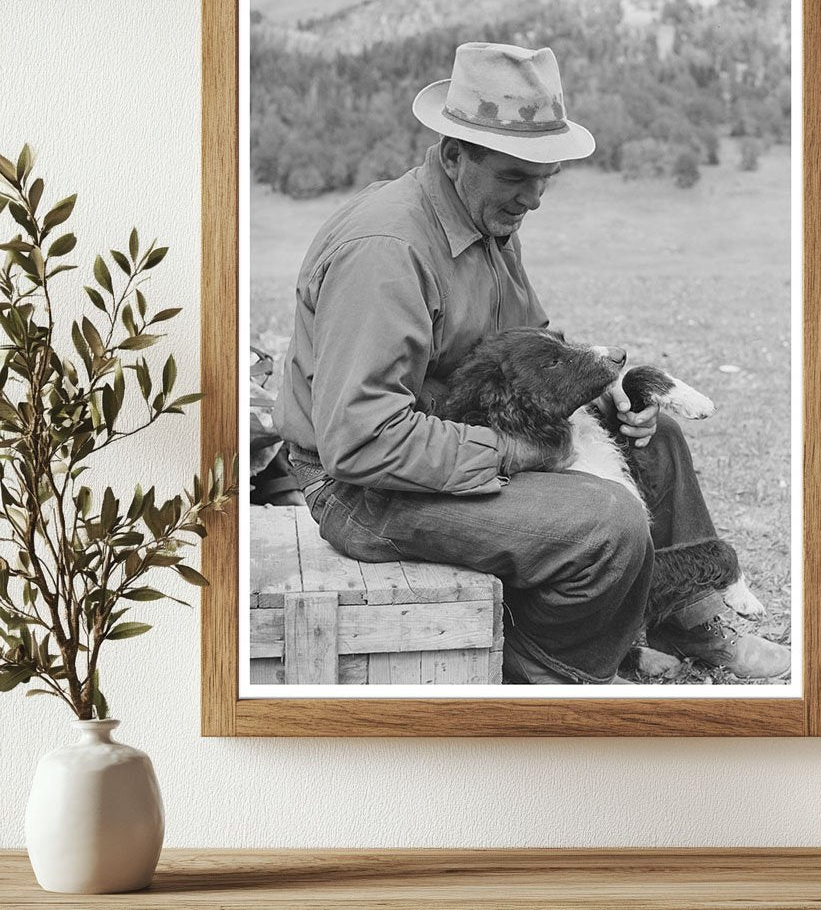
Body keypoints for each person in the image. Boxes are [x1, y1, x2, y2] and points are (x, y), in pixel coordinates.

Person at [273, 41, 789, 684]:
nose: (533, 200)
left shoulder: (486, 221)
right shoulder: (385, 253)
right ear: (455, 155)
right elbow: (360, 442)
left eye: (544, 180)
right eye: (516, 178)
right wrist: (521, 452)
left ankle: (685, 614)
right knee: (607, 521)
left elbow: (530, 350)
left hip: (444, 436)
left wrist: (606, 399)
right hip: (362, 489)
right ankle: (545, 667)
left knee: (659, 441)